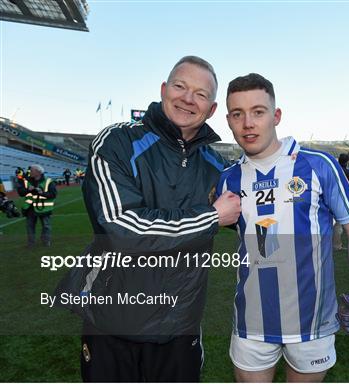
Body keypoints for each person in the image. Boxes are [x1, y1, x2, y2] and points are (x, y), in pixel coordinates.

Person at [55, 56, 241, 382]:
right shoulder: (116, 141)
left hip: (181, 324)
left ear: (211, 109)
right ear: (163, 89)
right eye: (180, 86)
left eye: (200, 94)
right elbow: (123, 229)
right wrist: (210, 218)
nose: (187, 98)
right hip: (113, 319)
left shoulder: (215, 165)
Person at [218, 73, 349, 382]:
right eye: (238, 114)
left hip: (313, 324)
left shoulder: (318, 166)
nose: (248, 123)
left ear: (276, 116)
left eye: (258, 112)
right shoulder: (227, 179)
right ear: (229, 120)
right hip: (252, 324)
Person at [17, 164, 57, 247]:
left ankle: (46, 241)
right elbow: (20, 192)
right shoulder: (26, 181)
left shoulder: (48, 181)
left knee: (46, 226)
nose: (30, 172)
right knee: (30, 226)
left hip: (44, 208)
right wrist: (28, 190)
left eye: (31, 170)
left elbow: (53, 194)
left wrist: (42, 193)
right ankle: (31, 243)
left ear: (38, 172)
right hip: (30, 207)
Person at [333, 153, 349, 251]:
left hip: (331, 198)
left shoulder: (333, 169)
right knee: (339, 224)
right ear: (347, 161)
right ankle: (337, 245)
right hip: (341, 200)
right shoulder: (346, 172)